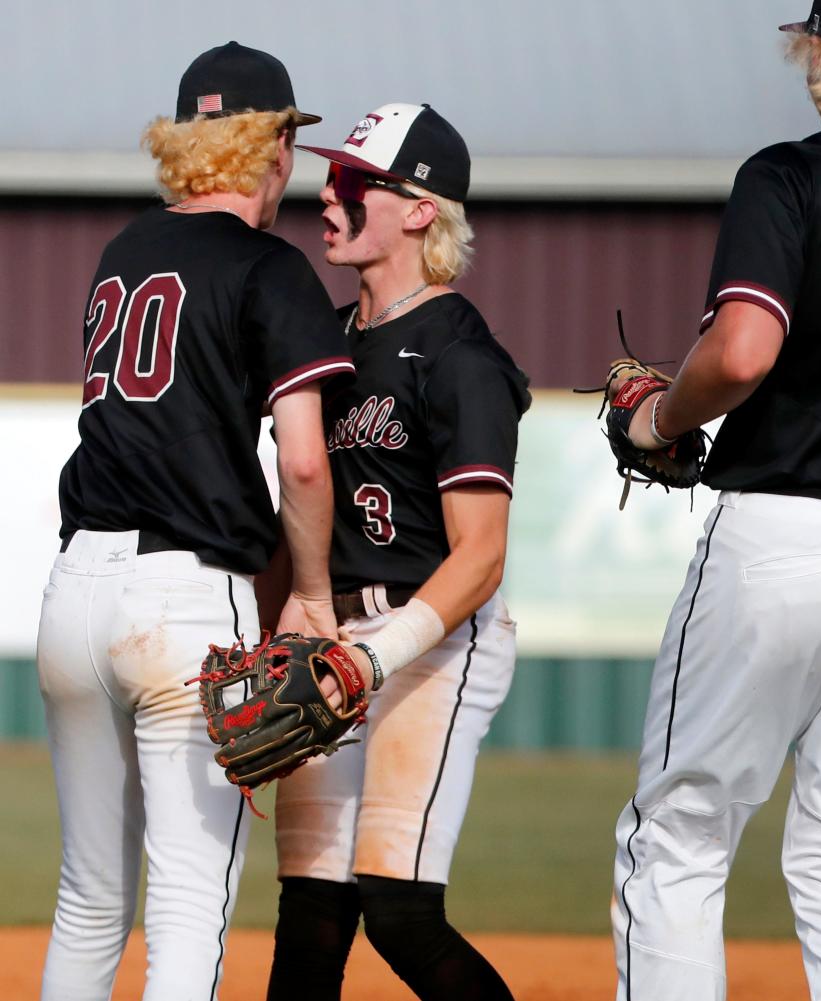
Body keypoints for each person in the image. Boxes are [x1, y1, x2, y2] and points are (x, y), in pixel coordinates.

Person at [609, 2, 821, 999]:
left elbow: (745, 349)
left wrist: (660, 422)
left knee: (678, 834)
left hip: (788, 523)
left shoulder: (793, 174)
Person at [35, 41, 353, 1001]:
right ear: (264, 150)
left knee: (90, 895)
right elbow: (301, 457)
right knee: (185, 899)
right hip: (181, 603)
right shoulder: (271, 266)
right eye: (284, 141)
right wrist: (308, 595)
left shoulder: (124, 250)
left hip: (74, 595)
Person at [263, 103, 530, 1001]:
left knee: (398, 905)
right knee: (309, 907)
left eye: (354, 185)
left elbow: (481, 554)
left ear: (421, 209)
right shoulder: (326, 345)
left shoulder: (461, 353)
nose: (329, 200)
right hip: (332, 637)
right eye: (329, 181)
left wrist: (374, 650)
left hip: (433, 643)